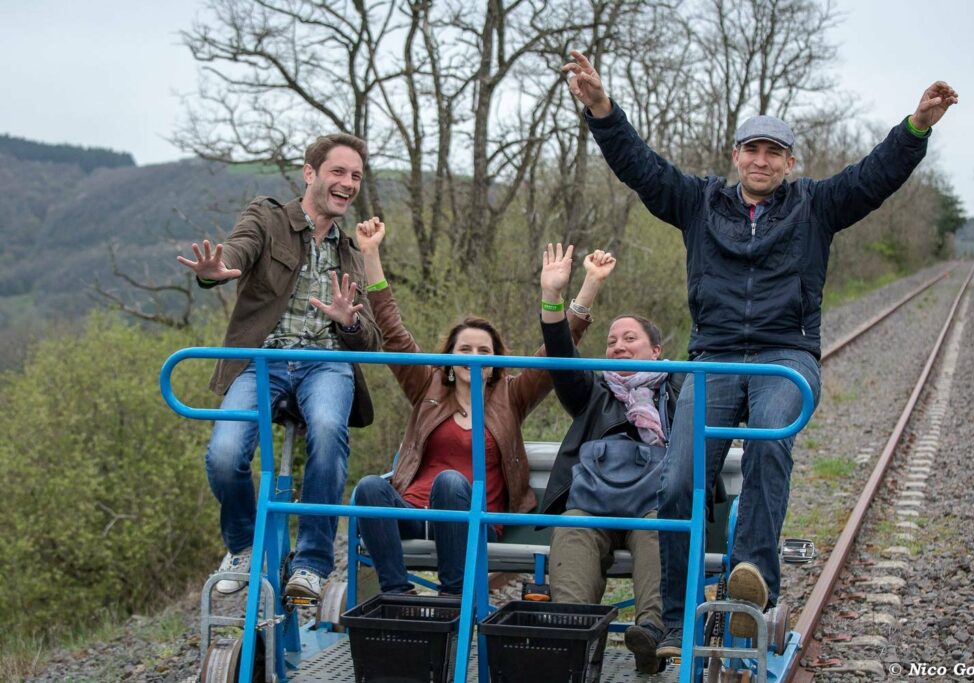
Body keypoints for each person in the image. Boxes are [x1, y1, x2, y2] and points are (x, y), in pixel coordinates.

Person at [561, 50, 957, 652]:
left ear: (790, 162)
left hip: (784, 357)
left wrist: (916, 128)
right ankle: (671, 617)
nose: (762, 160)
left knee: (771, 441)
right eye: (753, 149)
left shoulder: (815, 205)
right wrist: (600, 108)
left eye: (774, 151)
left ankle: (749, 589)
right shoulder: (698, 203)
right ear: (736, 156)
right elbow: (640, 167)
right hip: (715, 356)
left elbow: (874, 176)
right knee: (678, 481)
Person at [352, 223, 614, 597]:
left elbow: (558, 348)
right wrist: (370, 254)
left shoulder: (512, 395)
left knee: (450, 483)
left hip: (475, 519)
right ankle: (397, 595)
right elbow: (393, 331)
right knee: (368, 489)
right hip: (415, 514)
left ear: (495, 361)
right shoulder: (426, 386)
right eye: (465, 350)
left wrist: (589, 284)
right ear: (448, 359)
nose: (474, 359)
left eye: (484, 352)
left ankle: (453, 596)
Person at [175, 133, 382, 600]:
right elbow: (238, 250)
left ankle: (310, 561)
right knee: (226, 454)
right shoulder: (267, 218)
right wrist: (218, 269)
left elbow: (370, 335)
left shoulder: (350, 253)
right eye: (338, 172)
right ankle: (244, 545)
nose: (347, 184)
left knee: (329, 429)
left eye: (355, 176)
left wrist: (349, 323)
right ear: (310, 173)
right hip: (262, 360)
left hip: (325, 364)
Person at [538, 246, 679, 674]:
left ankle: (651, 636)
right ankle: (574, 638)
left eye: (629, 338)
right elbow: (560, 356)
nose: (617, 346)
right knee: (573, 533)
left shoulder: (680, 390)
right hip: (592, 505)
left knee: (661, 533)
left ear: (656, 351)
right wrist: (554, 297)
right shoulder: (592, 391)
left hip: (651, 507)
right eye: (611, 340)